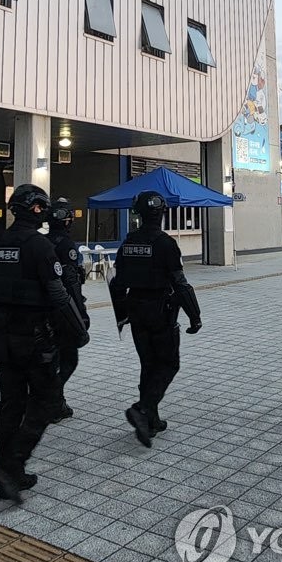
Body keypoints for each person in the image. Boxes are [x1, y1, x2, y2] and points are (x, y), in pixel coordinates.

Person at [0, 185, 90, 503]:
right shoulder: (38, 246)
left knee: (10, 404)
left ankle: (9, 477)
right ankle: (9, 464)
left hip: (1, 340)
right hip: (33, 340)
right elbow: (58, 295)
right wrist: (78, 330)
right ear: (38, 210)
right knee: (45, 402)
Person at [110, 191, 201, 448]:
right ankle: (143, 408)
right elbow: (180, 283)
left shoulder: (128, 243)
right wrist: (195, 316)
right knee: (169, 364)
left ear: (137, 214)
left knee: (148, 364)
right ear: (162, 213)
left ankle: (151, 420)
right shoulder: (165, 243)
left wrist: (121, 316)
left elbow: (117, 284)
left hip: (136, 310)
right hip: (161, 311)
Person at [45, 198, 90, 420]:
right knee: (69, 359)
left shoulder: (41, 242)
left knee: (53, 359)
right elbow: (72, 283)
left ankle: (56, 403)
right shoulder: (66, 245)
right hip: (63, 310)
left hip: (43, 311)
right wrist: (80, 314)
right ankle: (51, 399)